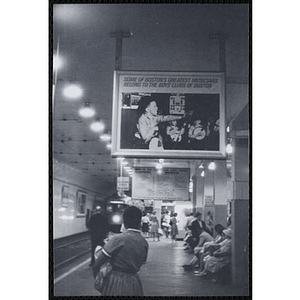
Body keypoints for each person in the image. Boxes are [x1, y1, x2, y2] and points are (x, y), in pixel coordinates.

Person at [93, 206, 149, 296]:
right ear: (140, 222)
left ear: (124, 222)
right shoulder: (144, 242)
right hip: (134, 283)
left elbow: (97, 265)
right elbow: (142, 262)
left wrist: (99, 281)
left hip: (115, 282)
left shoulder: (118, 239)